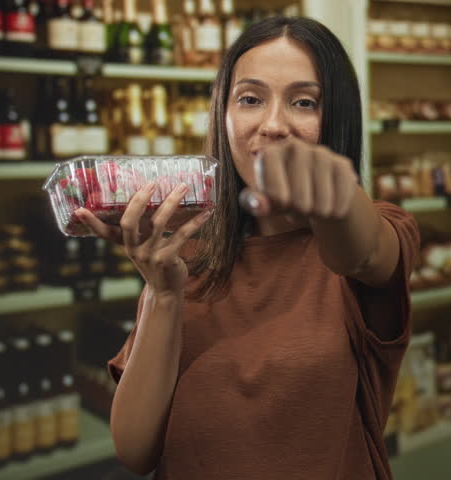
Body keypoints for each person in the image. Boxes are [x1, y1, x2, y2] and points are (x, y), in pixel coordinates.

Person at [75, 15, 419, 480]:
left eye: (303, 102)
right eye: (251, 99)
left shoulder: (382, 229)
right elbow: (135, 451)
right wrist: (162, 293)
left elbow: (357, 252)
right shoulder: (187, 247)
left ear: (337, 117)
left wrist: (331, 184)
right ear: (224, 114)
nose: (273, 125)